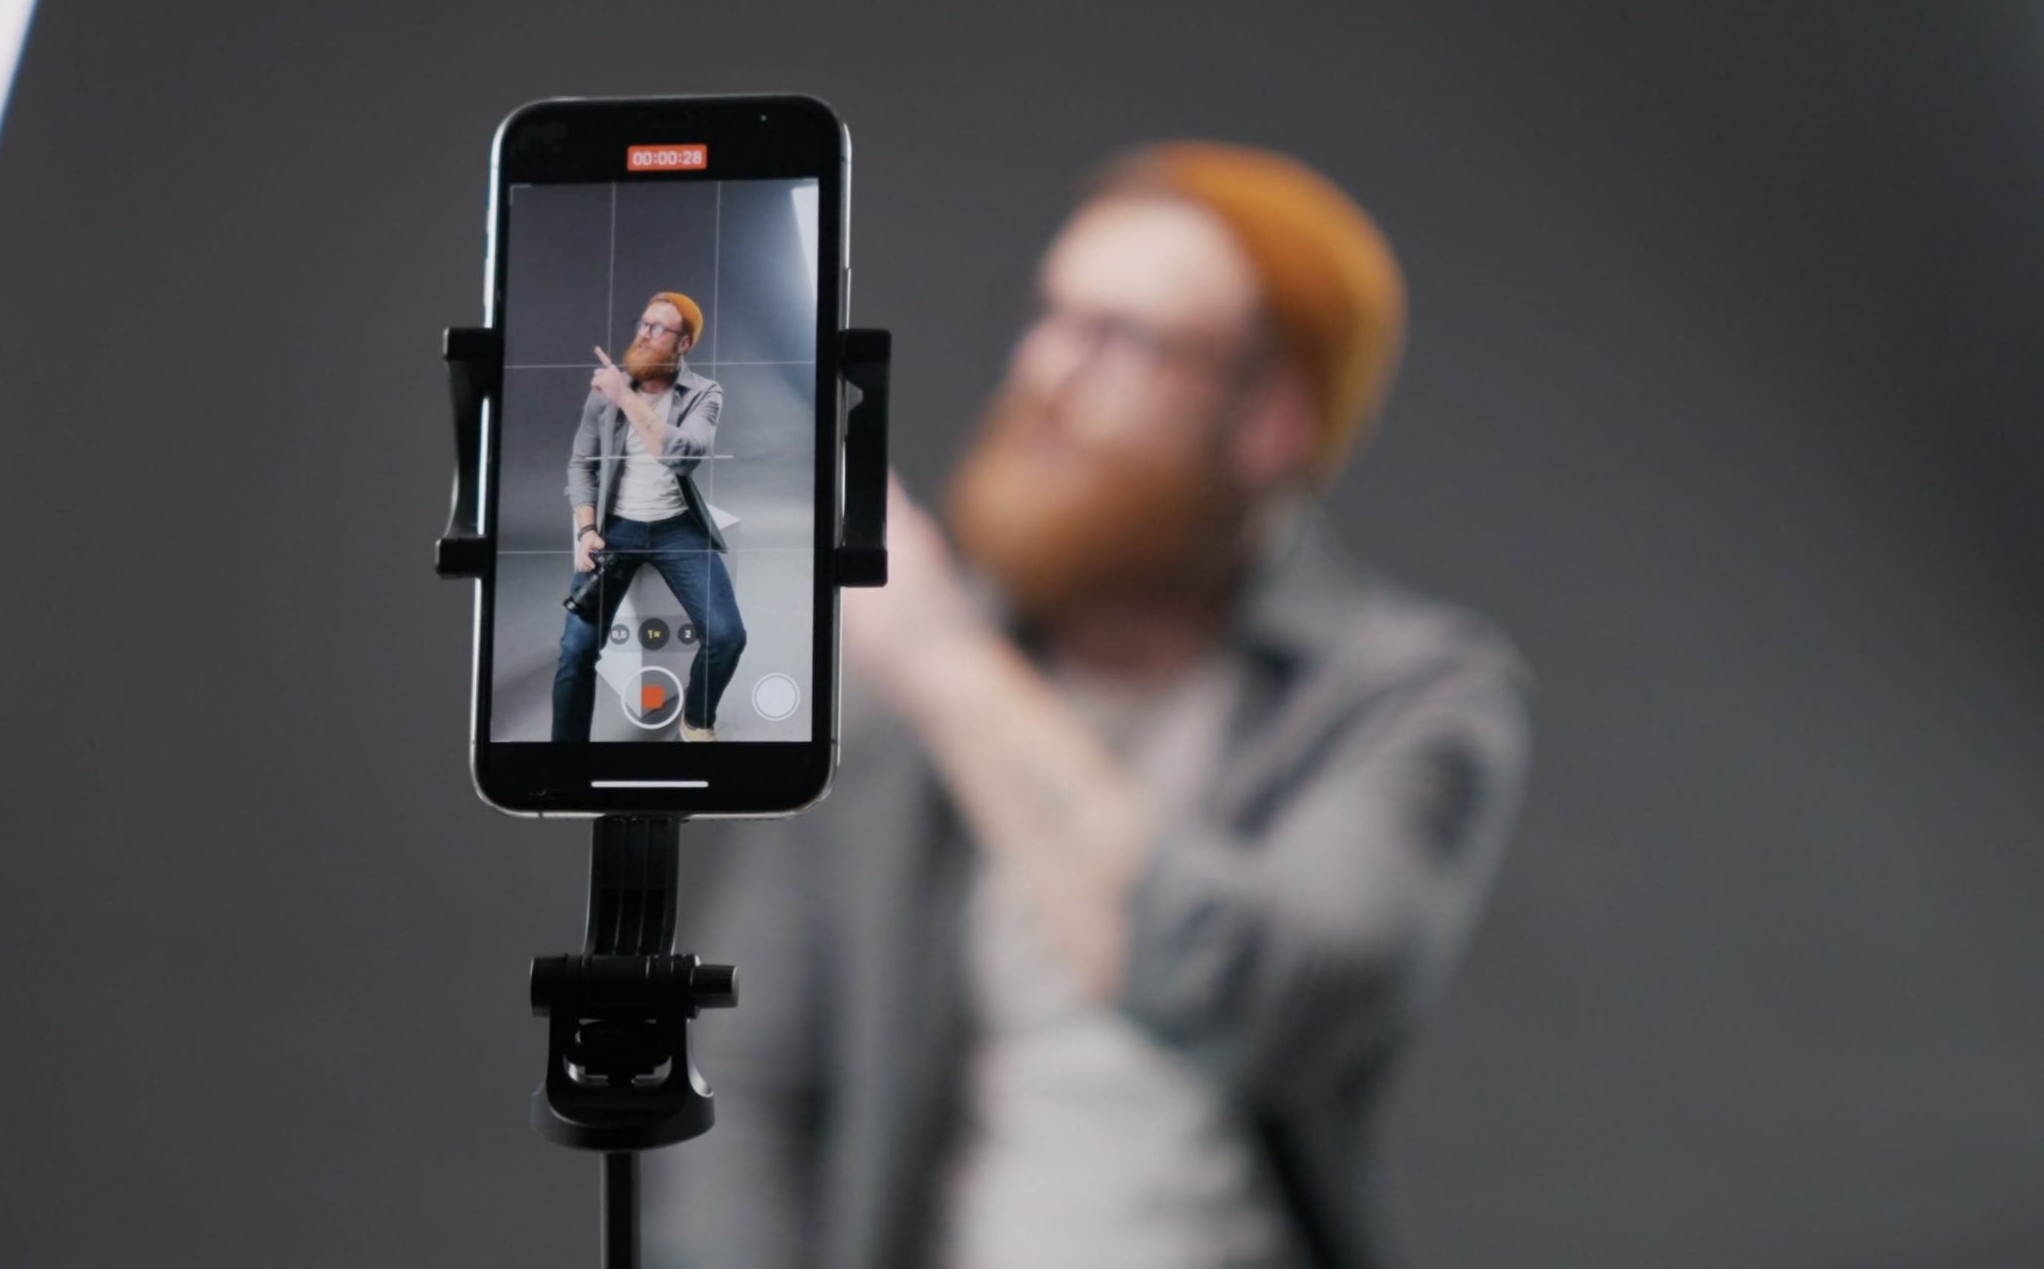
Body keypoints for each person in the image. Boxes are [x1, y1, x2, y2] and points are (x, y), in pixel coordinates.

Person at [647, 143, 1531, 1268]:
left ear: (1272, 418)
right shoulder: (885, 685)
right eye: (1048, 316)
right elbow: (745, 1085)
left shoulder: (1410, 696)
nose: (1044, 371)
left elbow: (1269, 1010)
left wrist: (945, 661)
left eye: (1124, 338)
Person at [551, 291, 748, 743]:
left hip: (678, 529)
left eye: (657, 328)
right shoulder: (605, 395)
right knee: (575, 650)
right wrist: (586, 529)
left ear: (684, 343)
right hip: (615, 529)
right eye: (642, 323)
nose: (643, 334)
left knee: (727, 636)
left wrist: (624, 396)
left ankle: (696, 720)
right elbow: (581, 465)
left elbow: (683, 455)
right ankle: (564, 761)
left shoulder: (704, 393)